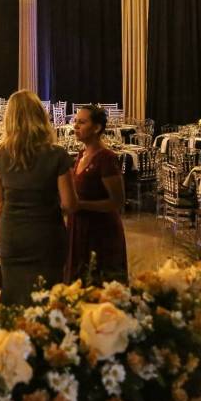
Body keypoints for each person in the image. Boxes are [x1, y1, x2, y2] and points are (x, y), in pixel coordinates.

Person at [0, 90, 78, 306]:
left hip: (12, 233)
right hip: (46, 233)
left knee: (13, 295)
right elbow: (69, 204)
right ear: (41, 116)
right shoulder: (57, 155)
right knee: (49, 298)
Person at [66, 105, 127, 284]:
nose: (76, 126)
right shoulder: (81, 154)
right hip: (79, 227)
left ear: (97, 128)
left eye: (82, 122)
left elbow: (117, 202)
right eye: (75, 121)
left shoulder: (106, 158)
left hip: (101, 232)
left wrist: (81, 205)